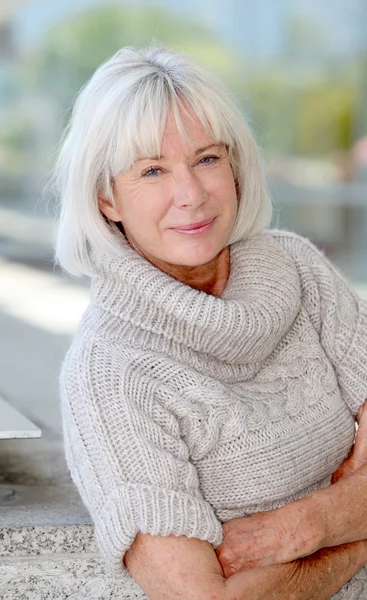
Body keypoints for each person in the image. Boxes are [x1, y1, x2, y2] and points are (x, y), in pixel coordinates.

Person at [55, 46, 367, 599]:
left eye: (207, 159)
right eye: (153, 170)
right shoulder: (109, 374)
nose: (192, 195)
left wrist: (307, 528)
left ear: (236, 166)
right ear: (107, 198)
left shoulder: (299, 266)